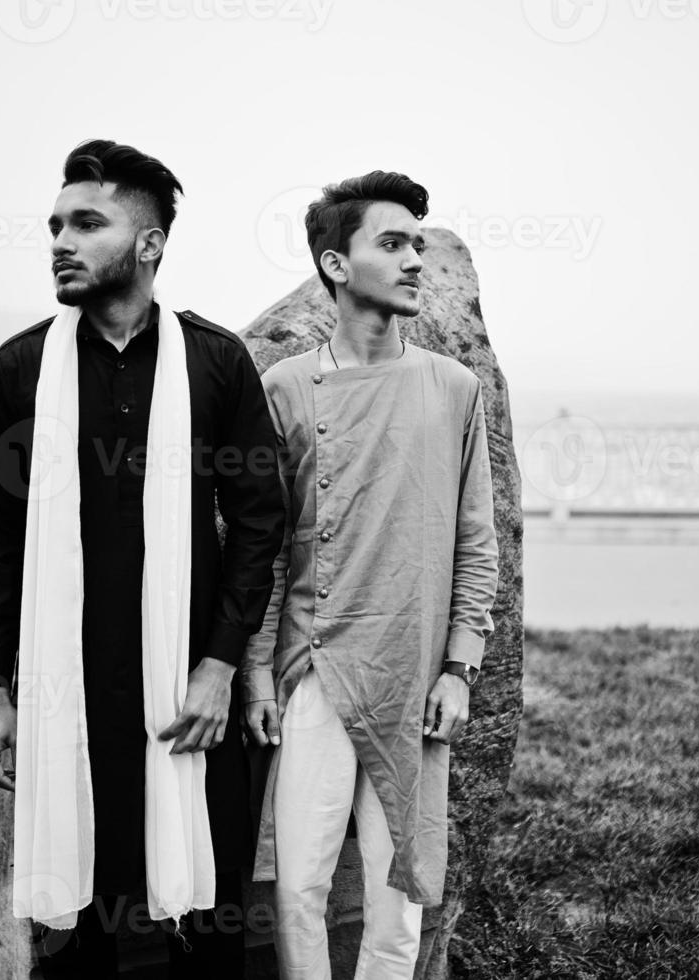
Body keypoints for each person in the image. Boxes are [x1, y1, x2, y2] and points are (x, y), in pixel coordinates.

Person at [0, 139, 285, 979]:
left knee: (210, 926)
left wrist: (218, 668)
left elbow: (259, 524)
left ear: (148, 245)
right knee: (78, 930)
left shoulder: (215, 364)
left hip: (187, 689)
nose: (60, 242)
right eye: (54, 226)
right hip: (64, 690)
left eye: (86, 223)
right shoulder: (19, 369)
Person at [241, 171, 499, 979]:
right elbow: (266, 545)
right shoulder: (284, 388)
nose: (416, 260)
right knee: (300, 889)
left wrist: (459, 668)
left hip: (414, 677)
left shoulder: (451, 388)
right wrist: (255, 674)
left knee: (401, 898)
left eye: (418, 244)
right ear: (335, 264)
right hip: (314, 672)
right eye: (392, 244)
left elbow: (474, 542)